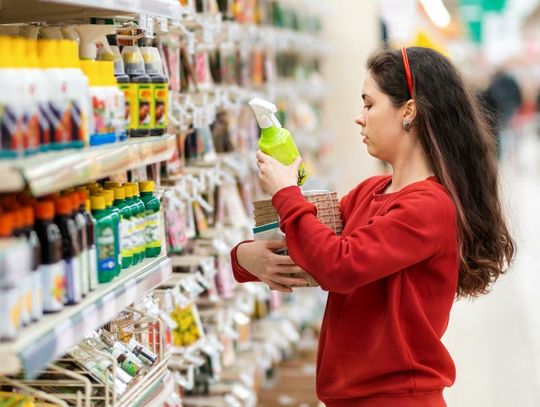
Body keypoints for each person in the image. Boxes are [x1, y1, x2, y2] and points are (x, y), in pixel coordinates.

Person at [230, 47, 515, 407]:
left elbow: (339, 266)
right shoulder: (370, 192)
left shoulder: (430, 206)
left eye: (369, 104)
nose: (359, 118)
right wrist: (244, 257)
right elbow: (310, 250)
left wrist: (287, 193)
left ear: (408, 112)